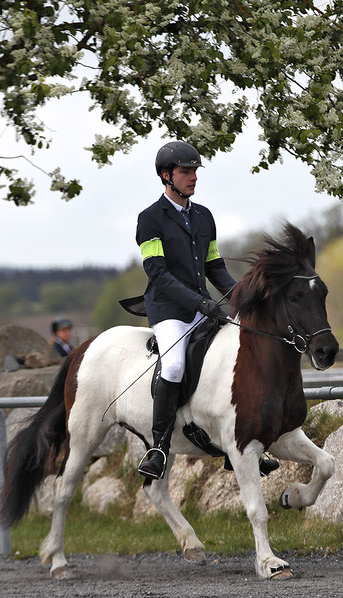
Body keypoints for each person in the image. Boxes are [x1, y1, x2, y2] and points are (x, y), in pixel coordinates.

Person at [136, 141, 237, 480]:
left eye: (195, 171)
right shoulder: (149, 220)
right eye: (185, 171)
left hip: (202, 307)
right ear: (166, 176)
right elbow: (159, 275)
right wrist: (198, 303)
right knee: (176, 364)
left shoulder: (204, 216)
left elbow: (215, 267)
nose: (193, 177)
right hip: (168, 310)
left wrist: (242, 297)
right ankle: (158, 447)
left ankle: (234, 442)